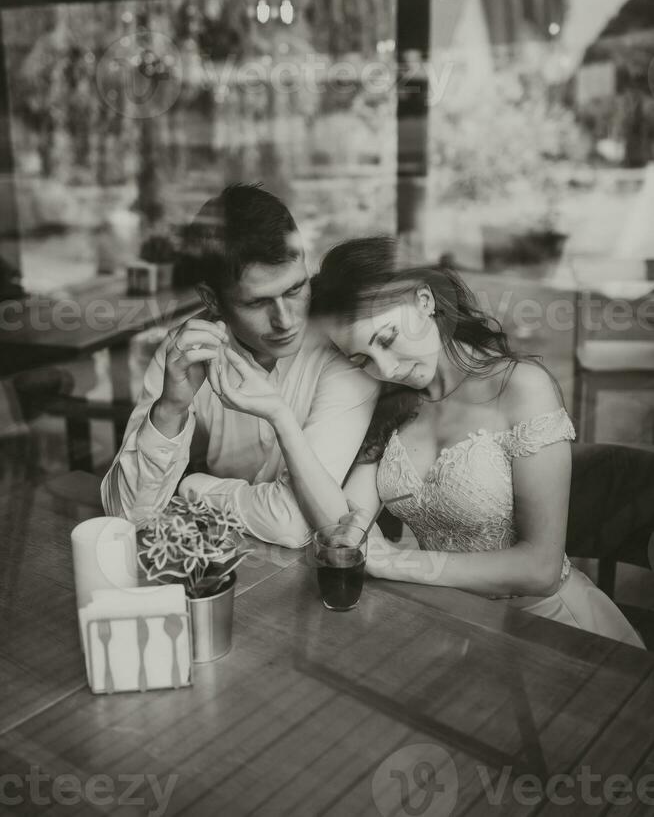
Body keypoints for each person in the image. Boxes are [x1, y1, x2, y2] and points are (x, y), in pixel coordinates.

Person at [216, 233, 642, 646]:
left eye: (387, 339)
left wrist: (395, 561)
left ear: (424, 301)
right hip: (454, 626)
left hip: (550, 629)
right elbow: (344, 527)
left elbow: (541, 569)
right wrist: (281, 420)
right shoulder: (391, 405)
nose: (385, 369)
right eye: (362, 358)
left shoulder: (522, 387)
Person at [101, 185, 378, 547]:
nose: (286, 321)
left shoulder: (345, 348)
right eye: (258, 303)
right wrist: (170, 410)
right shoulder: (186, 353)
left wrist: (190, 486)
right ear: (211, 300)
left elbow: (292, 525)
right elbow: (125, 517)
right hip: (229, 559)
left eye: (295, 290)